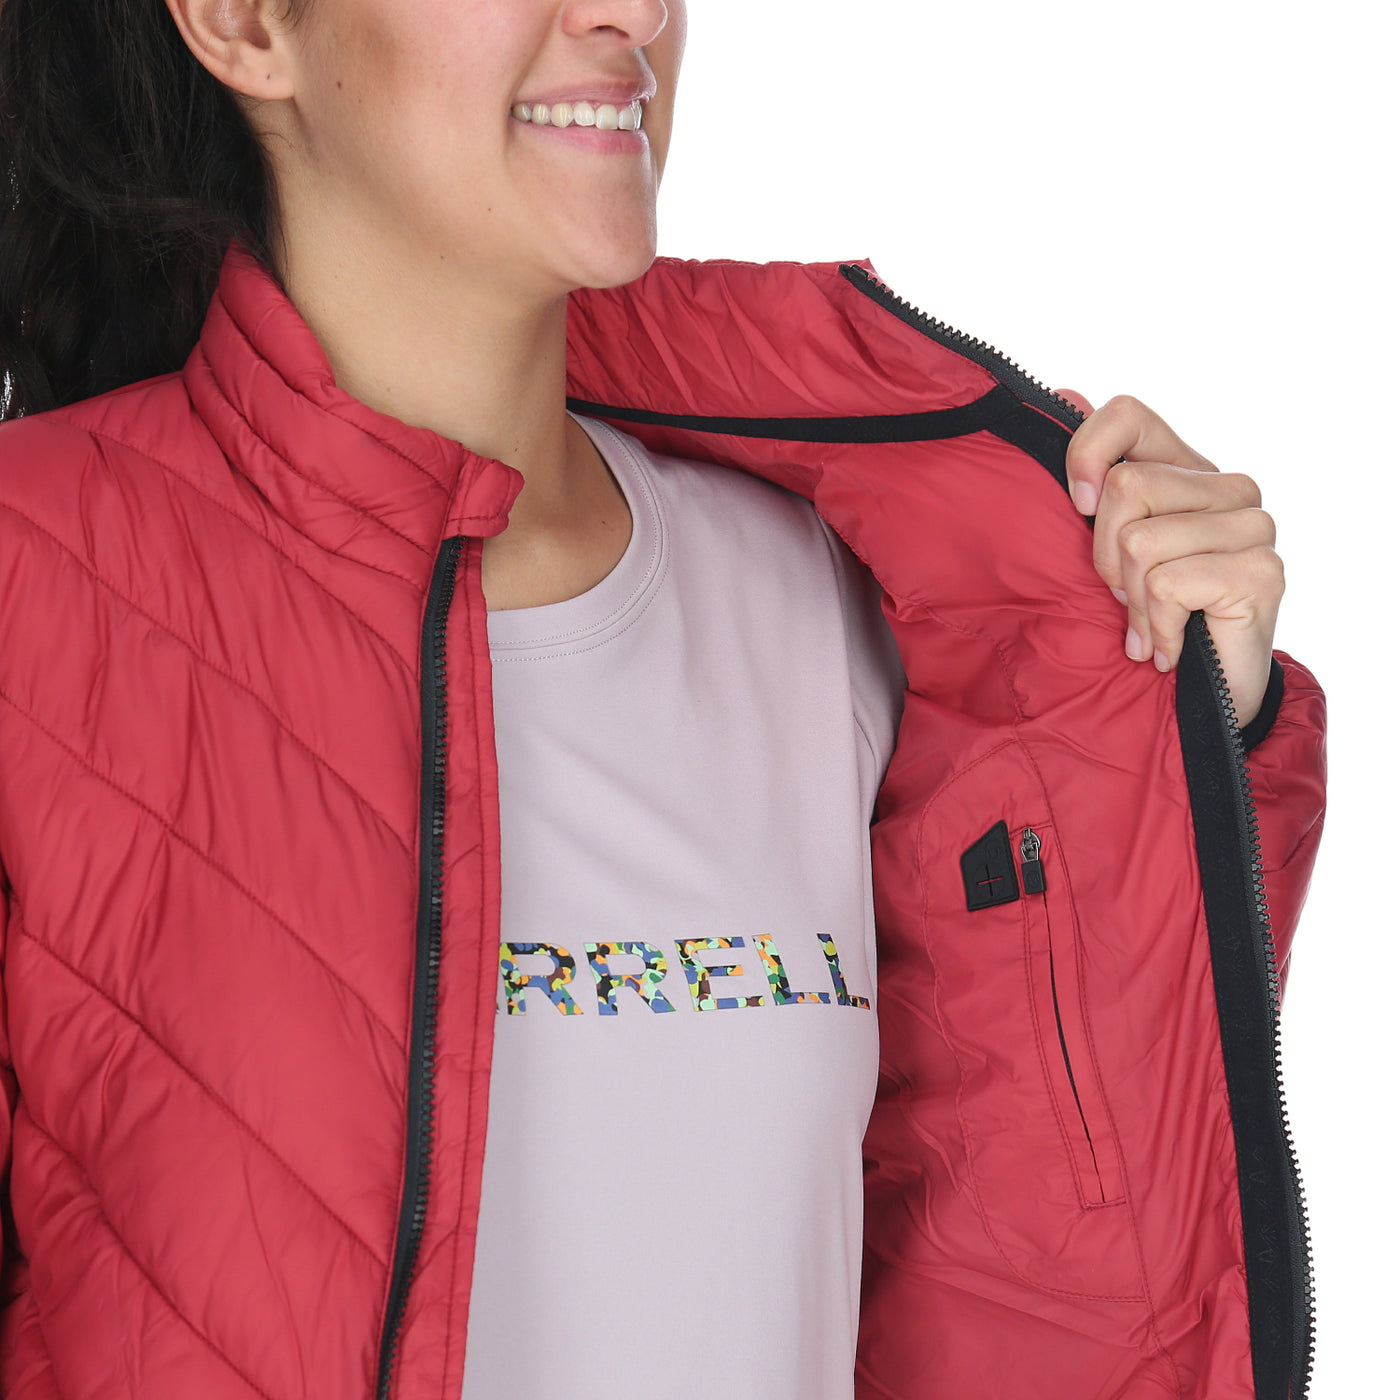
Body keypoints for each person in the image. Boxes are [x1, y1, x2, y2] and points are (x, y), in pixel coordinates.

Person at [0, 2, 1328, 1398]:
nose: (633, 12)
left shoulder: (847, 599)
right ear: (243, 23)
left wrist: (1177, 716)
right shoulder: (37, 593)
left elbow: (1065, 1256)